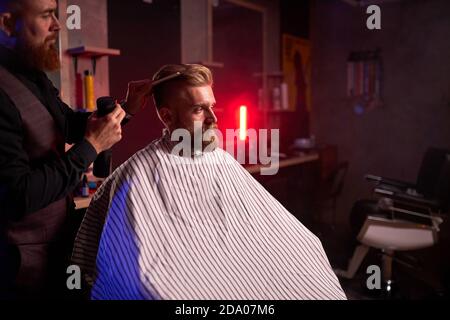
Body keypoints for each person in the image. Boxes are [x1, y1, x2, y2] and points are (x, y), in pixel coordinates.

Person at [72, 63, 347, 300]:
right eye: (198, 110)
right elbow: (136, 271)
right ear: (167, 116)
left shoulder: (222, 161)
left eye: (212, 107)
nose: (214, 118)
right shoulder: (139, 172)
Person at [0, 0, 152, 298]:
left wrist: (126, 109)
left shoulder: (30, 73)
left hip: (57, 246)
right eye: (46, 15)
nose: (58, 24)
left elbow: (68, 123)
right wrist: (92, 147)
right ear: (6, 24)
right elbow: (18, 196)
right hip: (20, 268)